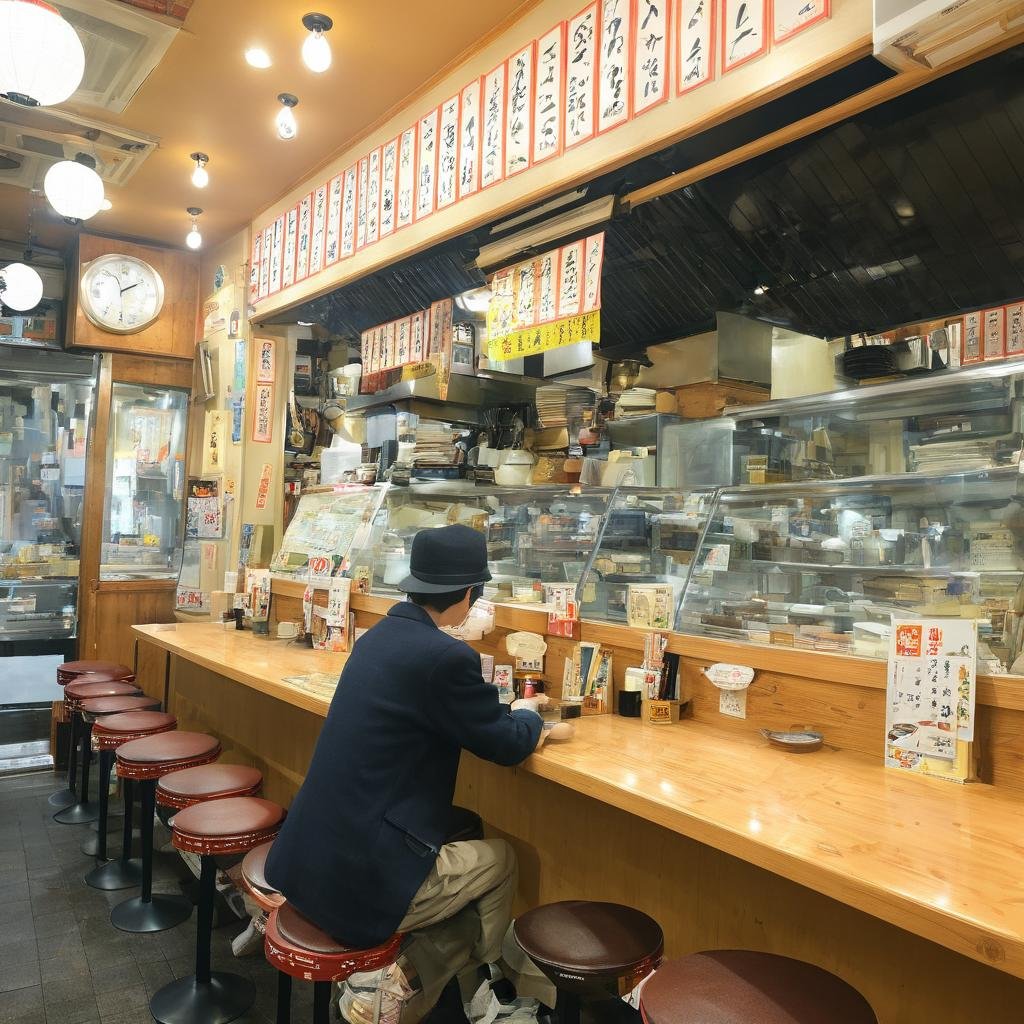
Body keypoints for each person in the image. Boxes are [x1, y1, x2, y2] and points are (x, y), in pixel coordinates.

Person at [265, 524, 572, 1022]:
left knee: (464, 849)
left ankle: (405, 981)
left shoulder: (379, 637)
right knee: (502, 861)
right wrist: (530, 715)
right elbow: (505, 744)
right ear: (470, 594)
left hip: (305, 858)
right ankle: (498, 994)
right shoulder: (446, 657)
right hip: (359, 880)